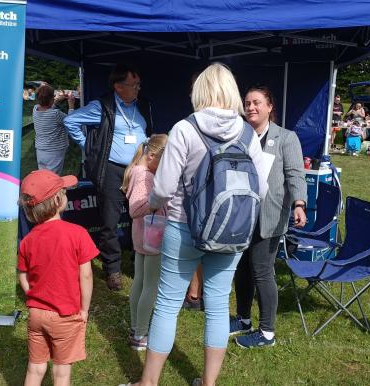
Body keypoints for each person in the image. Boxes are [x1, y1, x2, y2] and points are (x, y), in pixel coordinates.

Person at [126, 63, 269, 386]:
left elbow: (162, 189)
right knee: (218, 306)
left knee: (167, 304)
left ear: (199, 92)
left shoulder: (184, 129)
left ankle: (148, 383)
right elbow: (261, 188)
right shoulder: (248, 133)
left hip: (183, 227)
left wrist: (149, 206)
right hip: (232, 231)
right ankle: (209, 383)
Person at [230, 85, 308, 348]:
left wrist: (299, 203)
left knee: (262, 271)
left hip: (270, 215)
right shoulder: (240, 136)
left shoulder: (286, 138)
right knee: (242, 268)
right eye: (247, 103)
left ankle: (267, 332)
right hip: (242, 214)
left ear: (269, 107)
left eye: (257, 103)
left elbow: (295, 174)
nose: (251, 107)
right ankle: (243, 319)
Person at [64, 63, 154, 291]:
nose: (137, 89)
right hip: (112, 171)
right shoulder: (102, 106)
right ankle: (112, 269)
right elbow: (70, 121)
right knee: (110, 221)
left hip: (138, 170)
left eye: (138, 84)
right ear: (118, 86)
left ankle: (139, 263)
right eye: (132, 85)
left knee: (140, 217)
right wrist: (90, 148)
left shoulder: (143, 105)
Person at [17, 170, 98, 386]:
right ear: (57, 200)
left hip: (36, 314)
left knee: (35, 367)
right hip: (66, 315)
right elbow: (87, 275)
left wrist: (32, 295)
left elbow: (23, 276)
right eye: (64, 192)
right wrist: (84, 310)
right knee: (61, 373)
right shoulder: (78, 233)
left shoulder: (27, 240)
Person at [120, 134, 168, 351]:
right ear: (151, 156)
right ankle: (140, 333)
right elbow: (135, 209)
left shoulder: (141, 172)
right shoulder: (145, 176)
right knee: (151, 286)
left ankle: (135, 327)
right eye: (164, 161)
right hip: (151, 236)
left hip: (143, 236)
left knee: (140, 282)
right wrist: (159, 201)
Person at [33, 84, 75, 174]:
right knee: (53, 179)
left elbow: (46, 108)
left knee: (43, 176)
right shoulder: (56, 114)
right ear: (52, 98)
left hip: (40, 150)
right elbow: (71, 122)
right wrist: (71, 105)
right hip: (54, 152)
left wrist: (56, 101)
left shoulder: (35, 109)